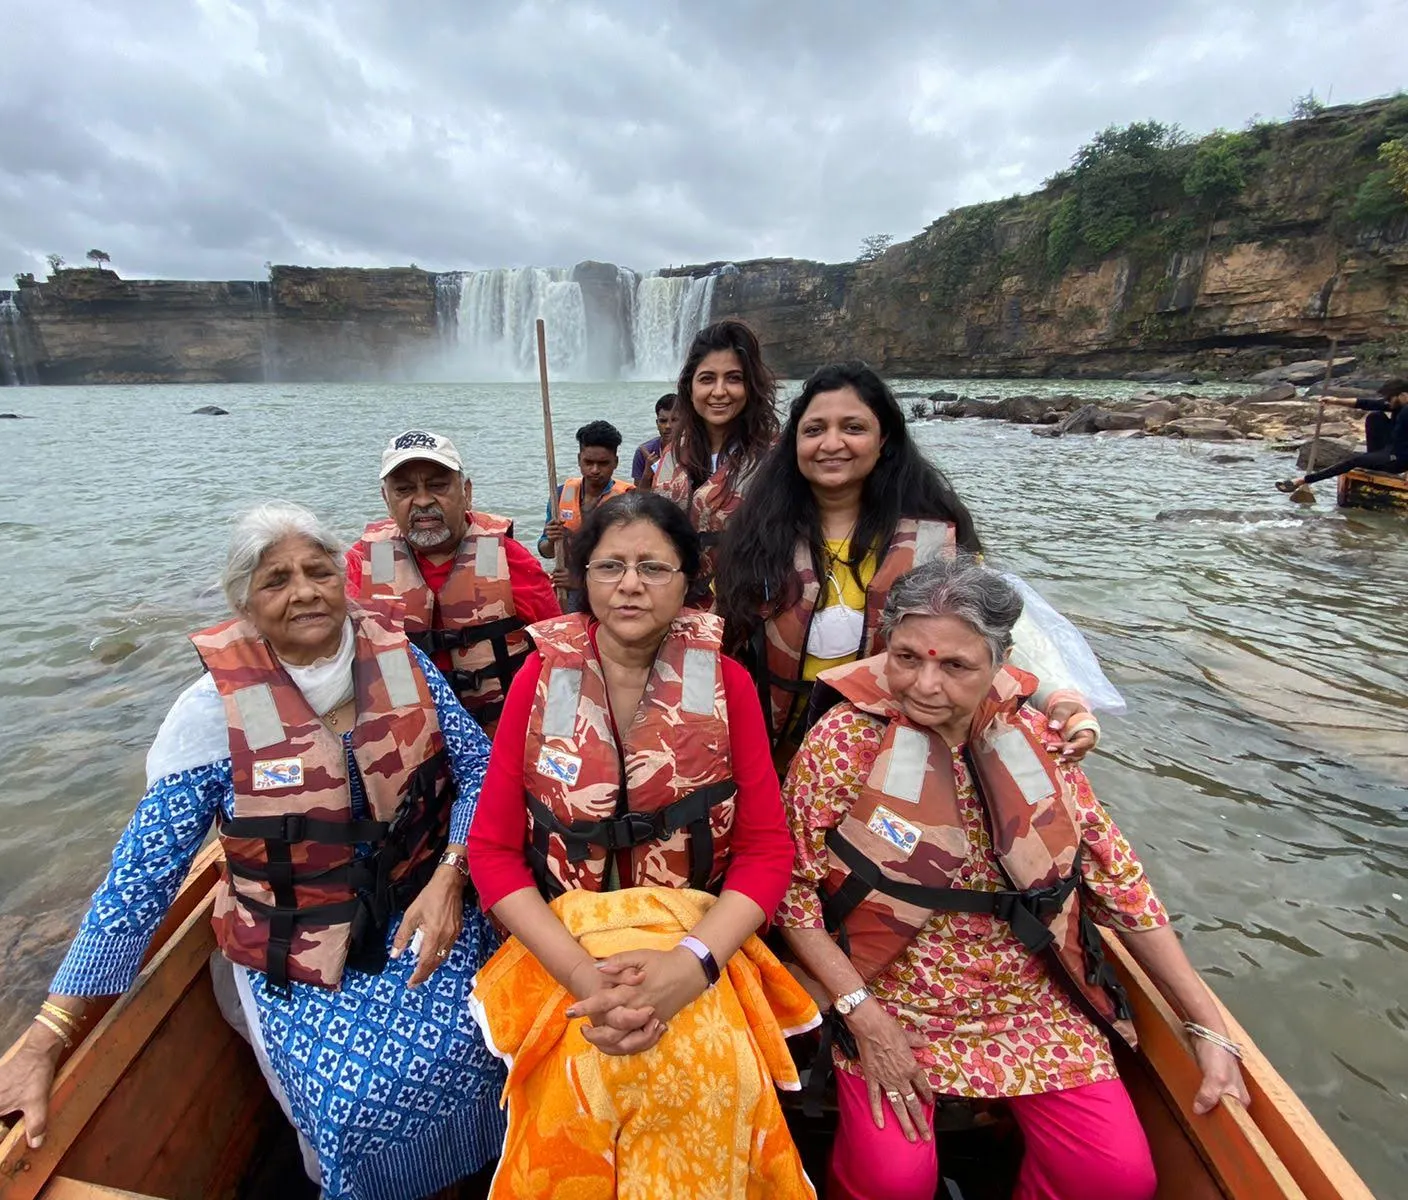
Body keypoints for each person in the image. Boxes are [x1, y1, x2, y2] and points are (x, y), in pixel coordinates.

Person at [0, 504, 507, 1200]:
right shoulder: (210, 712)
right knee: (358, 1102)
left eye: (318, 572)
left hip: (421, 911)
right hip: (299, 948)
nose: (304, 592)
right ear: (244, 606)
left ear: (344, 582)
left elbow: (480, 770)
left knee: (496, 1040)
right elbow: (141, 877)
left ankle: (490, 1175)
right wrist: (46, 1039)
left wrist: (449, 874)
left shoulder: (401, 663)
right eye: (276, 581)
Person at [778, 557, 1249, 1200]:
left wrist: (1208, 1027)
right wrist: (863, 1016)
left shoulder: (1037, 739)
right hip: (889, 994)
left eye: (956, 666)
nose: (925, 685)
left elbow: (1118, 883)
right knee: (893, 1183)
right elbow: (792, 893)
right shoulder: (844, 741)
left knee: (1113, 1179)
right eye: (906, 658)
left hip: (1030, 999)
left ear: (1000, 662)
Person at [466, 491, 819, 1199]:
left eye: (653, 568)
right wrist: (581, 975)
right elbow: (493, 852)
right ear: (584, 579)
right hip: (565, 937)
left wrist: (691, 966)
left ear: (688, 582)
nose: (630, 585)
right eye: (611, 566)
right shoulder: (539, 680)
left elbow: (765, 851)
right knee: (579, 1079)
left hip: (695, 933)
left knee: (708, 1076)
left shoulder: (727, 684)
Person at [716, 362, 1099, 772]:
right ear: (794, 443)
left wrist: (1059, 698)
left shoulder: (932, 538)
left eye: (853, 428)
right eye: (814, 430)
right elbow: (720, 634)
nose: (831, 443)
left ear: (884, 440)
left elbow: (998, 625)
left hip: (891, 749)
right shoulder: (755, 537)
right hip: (769, 746)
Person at [346, 429, 560, 733]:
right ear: (386, 499)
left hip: (499, 739)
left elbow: (561, 655)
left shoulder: (509, 559)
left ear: (466, 492)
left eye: (438, 486)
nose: (422, 501)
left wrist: (558, 736)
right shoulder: (360, 564)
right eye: (404, 490)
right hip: (410, 740)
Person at [652, 320, 781, 606]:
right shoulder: (673, 454)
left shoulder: (776, 459)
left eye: (734, 378)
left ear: (751, 386)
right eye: (707, 379)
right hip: (672, 608)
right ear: (690, 386)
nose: (719, 391)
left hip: (748, 609)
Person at [1276, 378, 1408, 492]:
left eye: (1389, 398)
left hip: (1398, 459)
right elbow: (1365, 403)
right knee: (1375, 416)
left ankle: (1302, 480)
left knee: (1354, 461)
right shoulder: (1398, 405)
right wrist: (1335, 400)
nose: (1387, 401)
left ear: (1403, 395)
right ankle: (1373, 459)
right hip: (1392, 449)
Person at [537, 419, 635, 564]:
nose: (595, 470)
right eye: (588, 462)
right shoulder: (560, 494)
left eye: (603, 463)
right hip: (568, 574)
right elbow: (546, 552)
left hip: (611, 575)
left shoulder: (628, 498)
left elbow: (636, 550)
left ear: (615, 462)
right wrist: (552, 541)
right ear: (579, 460)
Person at [631, 393, 677, 487]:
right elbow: (638, 494)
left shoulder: (695, 451)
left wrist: (659, 468)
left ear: (685, 421)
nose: (668, 426)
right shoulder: (644, 452)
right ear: (657, 423)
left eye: (674, 420)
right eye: (663, 421)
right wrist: (648, 473)